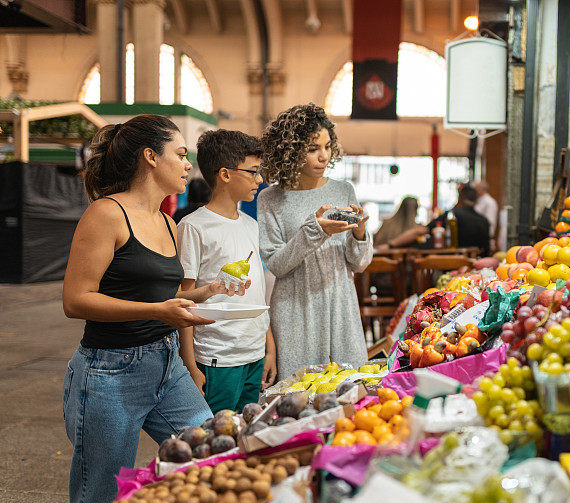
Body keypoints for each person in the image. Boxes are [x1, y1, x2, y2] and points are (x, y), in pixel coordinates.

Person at [61, 115, 245, 503]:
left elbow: (161, 297)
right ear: (150, 157)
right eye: (180, 155)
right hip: (109, 373)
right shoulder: (106, 214)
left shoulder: (166, 220)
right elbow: (76, 301)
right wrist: (157, 311)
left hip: (166, 367)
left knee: (212, 458)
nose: (187, 166)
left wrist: (207, 291)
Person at [257, 103, 372, 378]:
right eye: (312, 149)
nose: (323, 156)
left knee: (350, 392)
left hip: (341, 305)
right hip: (296, 309)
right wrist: (315, 230)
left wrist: (359, 234)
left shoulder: (344, 189)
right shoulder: (271, 198)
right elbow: (276, 265)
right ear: (289, 150)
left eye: (328, 146)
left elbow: (359, 264)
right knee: (297, 397)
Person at [177, 129, 278, 413]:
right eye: (253, 171)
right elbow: (183, 301)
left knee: (245, 430)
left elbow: (257, 293)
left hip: (254, 353)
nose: (260, 179)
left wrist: (268, 347)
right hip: (217, 357)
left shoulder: (251, 225)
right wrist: (190, 364)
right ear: (225, 174)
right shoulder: (194, 227)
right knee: (214, 434)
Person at [386, 185, 491, 256]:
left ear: (460, 198)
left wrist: (389, 245)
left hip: (453, 267)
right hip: (478, 268)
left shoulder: (452, 215)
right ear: (476, 200)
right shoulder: (484, 220)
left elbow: (420, 231)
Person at [474, 180, 499, 252]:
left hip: (484, 239)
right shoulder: (479, 201)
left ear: (481, 189)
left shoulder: (489, 202)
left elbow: (489, 222)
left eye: (475, 189)